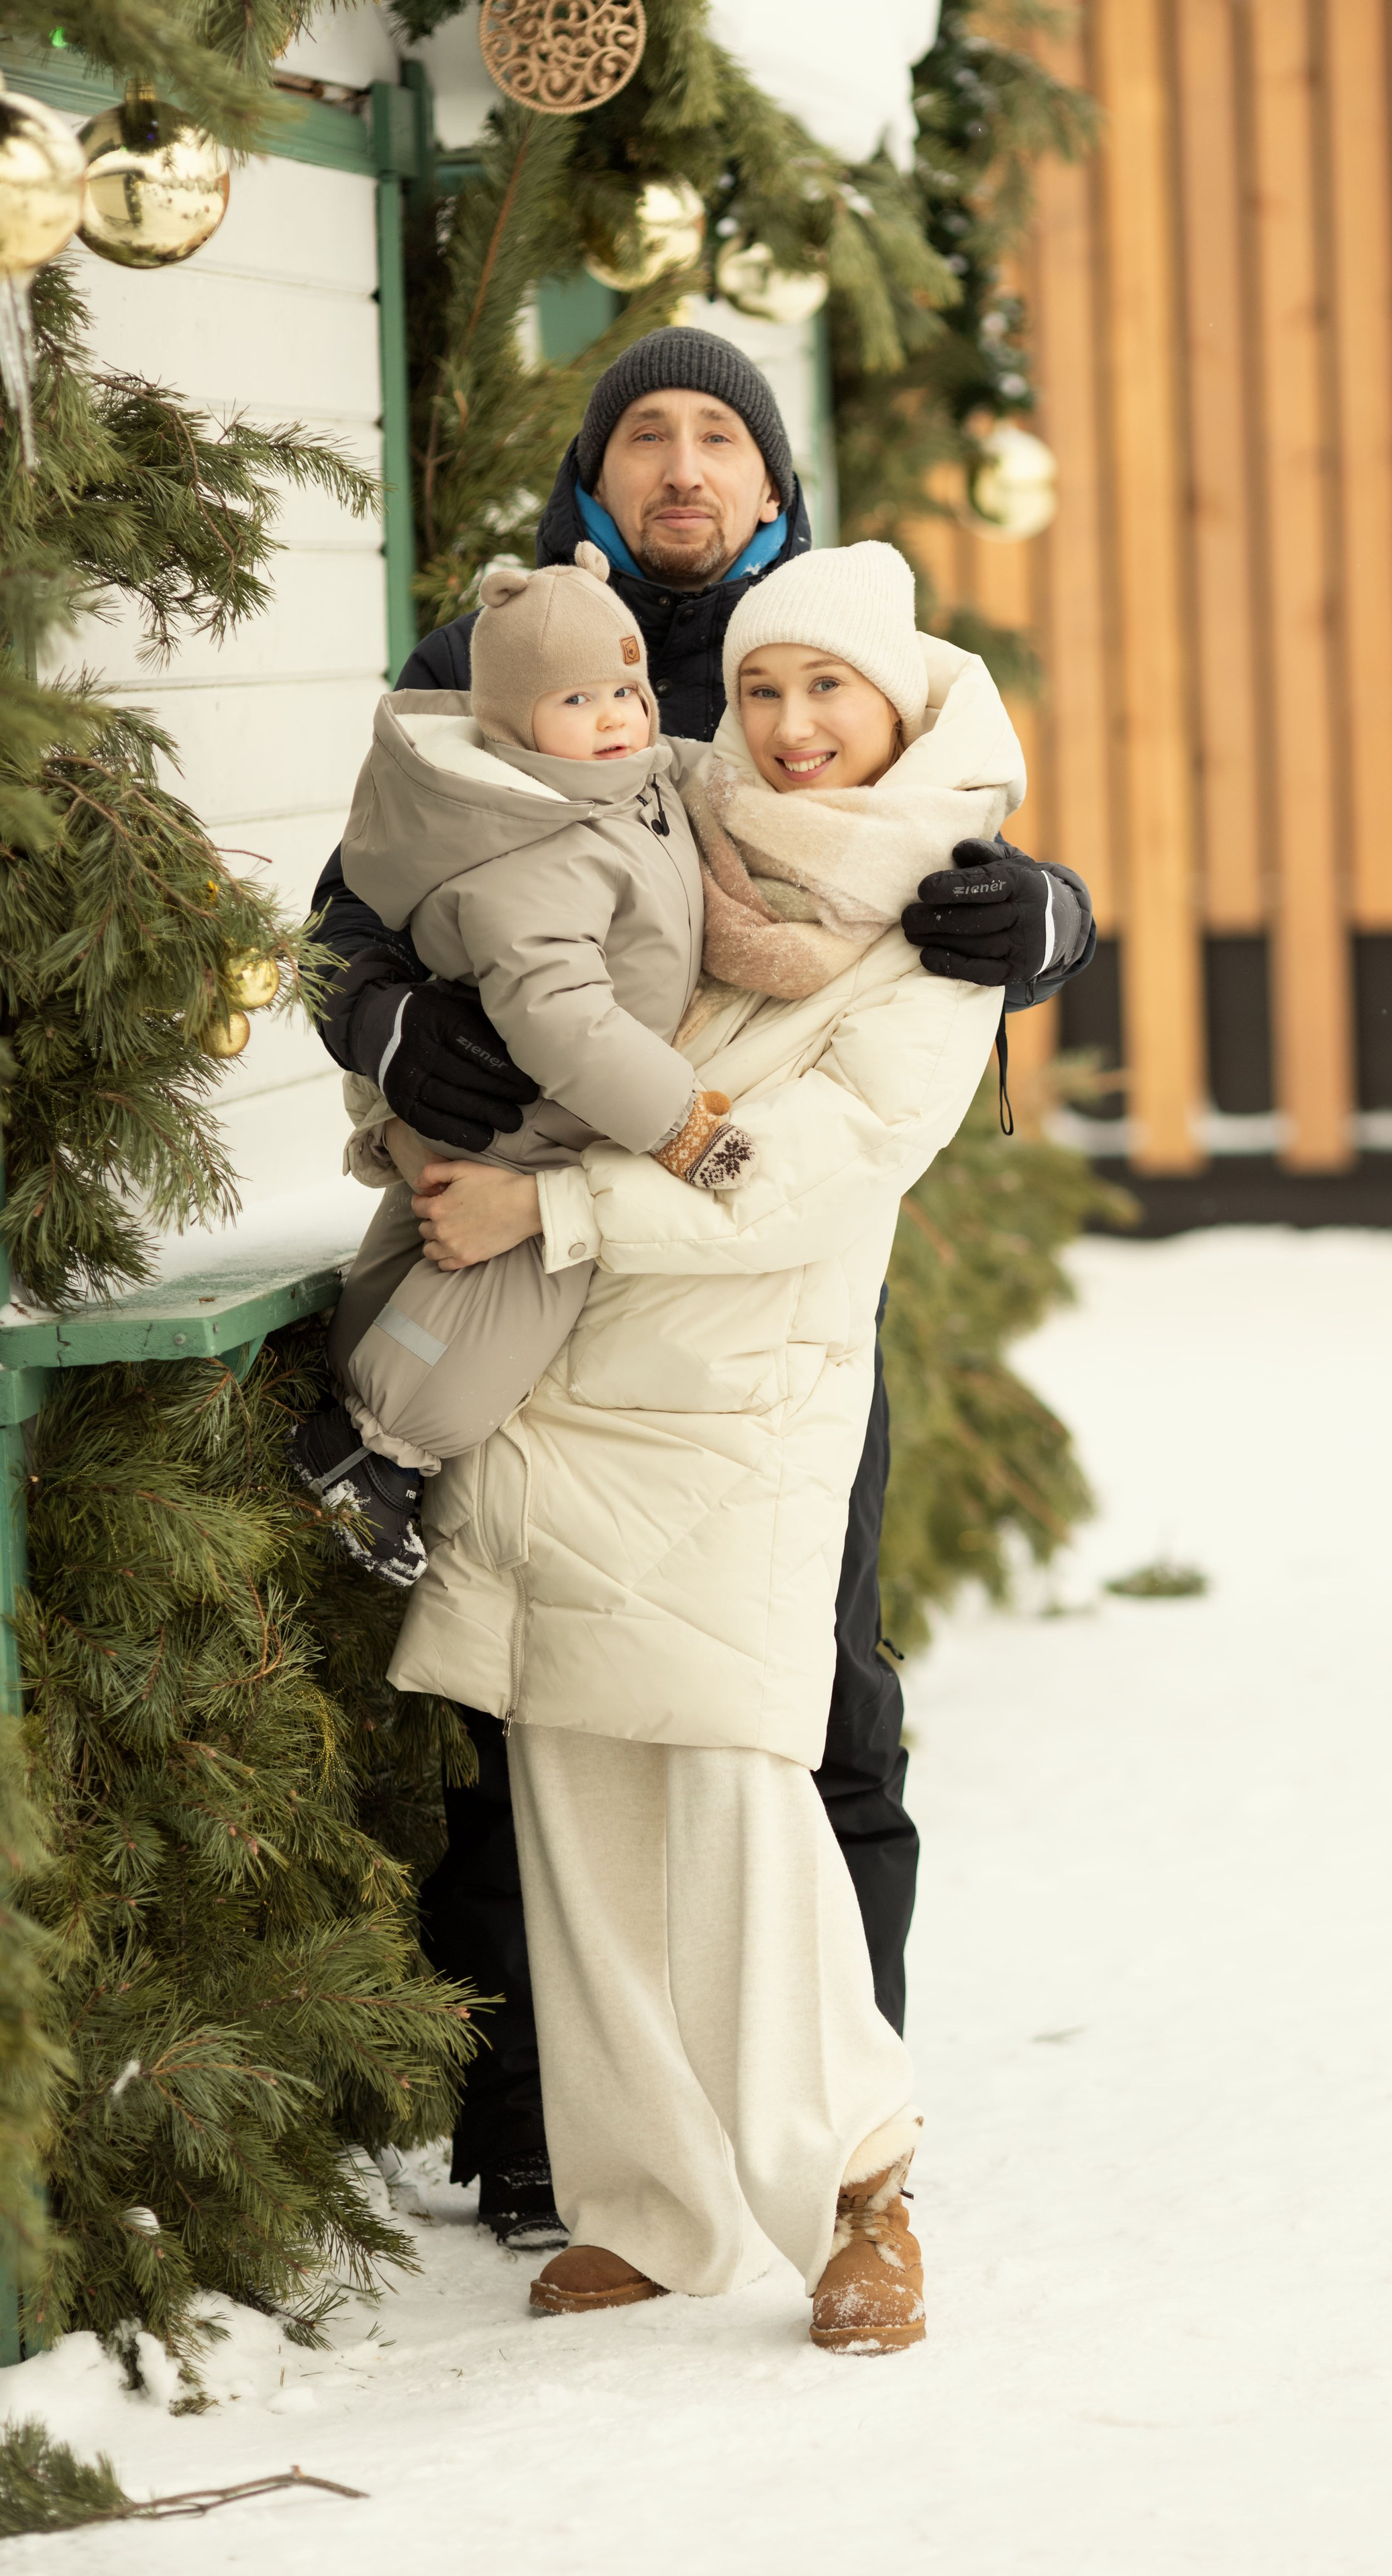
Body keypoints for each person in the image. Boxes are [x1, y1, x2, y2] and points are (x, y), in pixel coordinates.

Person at [306, 326, 1096, 2244]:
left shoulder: (838, 685)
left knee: (812, 1703)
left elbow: (929, 909)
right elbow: (367, 904)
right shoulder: (492, 658)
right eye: (640, 430)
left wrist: (1052, 921)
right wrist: (400, 1033)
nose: (679, 462)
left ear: (772, 487)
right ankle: (553, 2145)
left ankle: (841, 2140)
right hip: (558, 1286)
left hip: (732, 1286)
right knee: (538, 1719)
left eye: (717, 434)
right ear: (594, 476)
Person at [388, 541, 1021, 2349]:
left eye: (831, 687)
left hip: (733, 1404)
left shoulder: (941, 916)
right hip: (562, 1390)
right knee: (579, 1817)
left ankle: (864, 2184)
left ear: (898, 698)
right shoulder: (675, 831)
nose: (796, 726)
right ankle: (651, 2203)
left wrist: (554, 1216)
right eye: (760, 688)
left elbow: (810, 1178)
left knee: (740, 1804)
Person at [291, 547, 755, 1585]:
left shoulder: (626, 787)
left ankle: (371, 1408)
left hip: (554, 1117)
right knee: (492, 1311)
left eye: (628, 690)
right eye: (578, 699)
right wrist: (681, 1124)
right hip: (542, 1115)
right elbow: (564, 1023)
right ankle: (368, 1452)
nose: (617, 717)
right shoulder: (533, 850)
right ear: (509, 724)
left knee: (421, 1264)